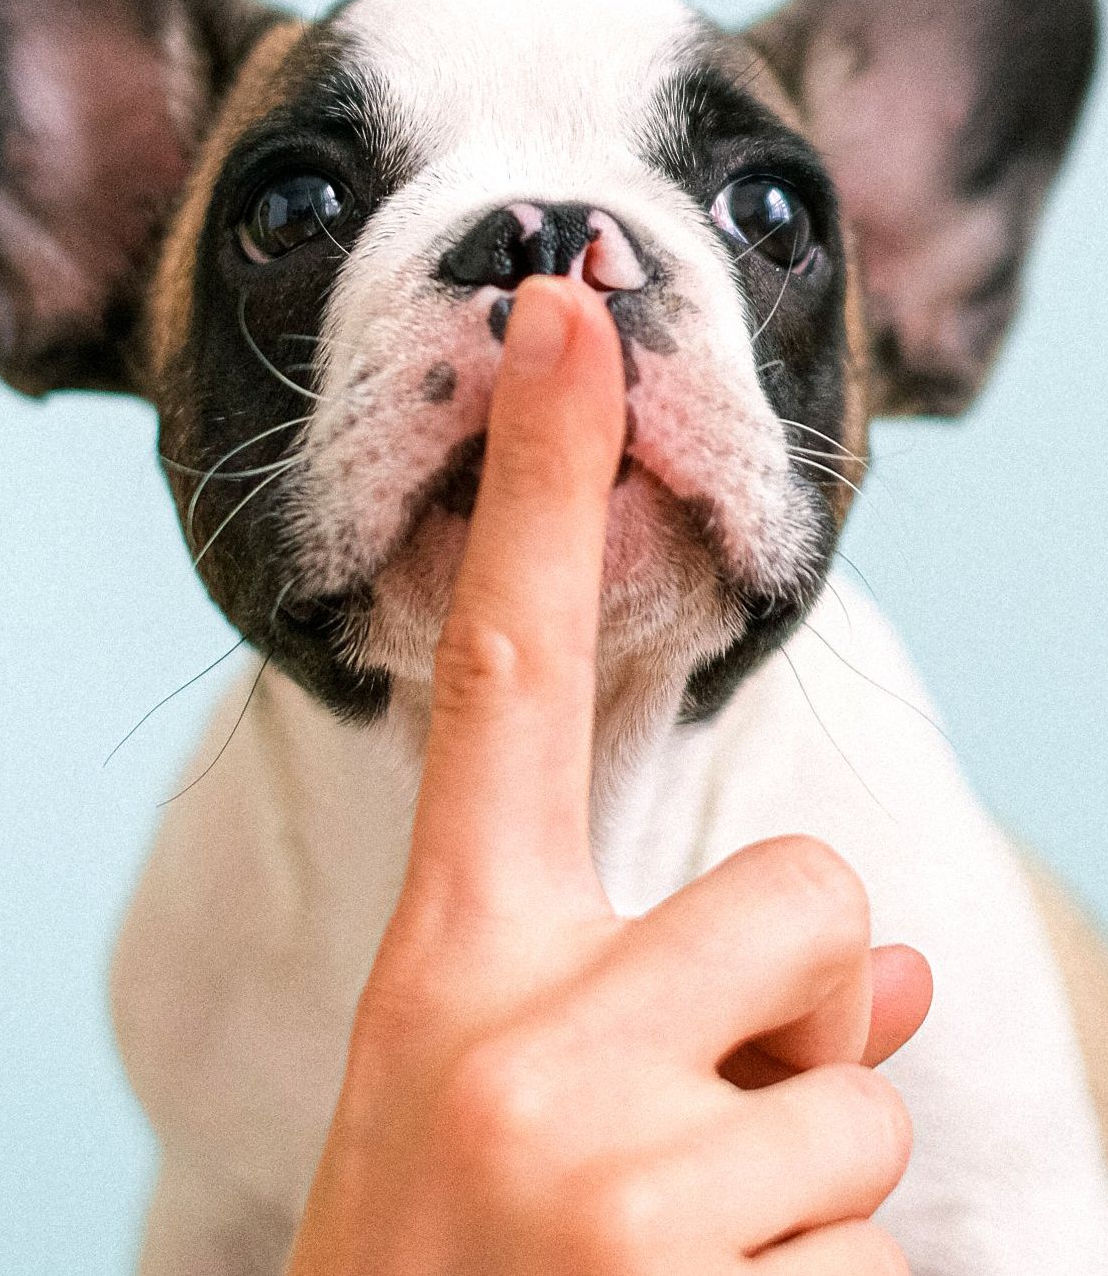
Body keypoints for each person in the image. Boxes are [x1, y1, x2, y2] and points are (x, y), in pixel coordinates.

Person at [287, 276, 935, 1275]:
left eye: (762, 219)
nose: (568, 283)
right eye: (297, 215)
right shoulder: (197, 977)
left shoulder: (919, 859)